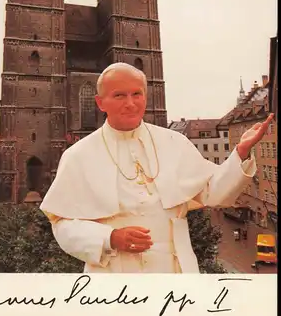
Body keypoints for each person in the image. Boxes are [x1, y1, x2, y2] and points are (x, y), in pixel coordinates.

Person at [40, 63, 274, 273]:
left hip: (175, 272)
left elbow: (214, 193)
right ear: (100, 103)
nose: (130, 103)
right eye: (119, 95)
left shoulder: (174, 142)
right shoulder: (78, 155)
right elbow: (62, 224)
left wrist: (241, 152)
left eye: (136, 94)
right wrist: (109, 238)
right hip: (113, 273)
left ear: (146, 96)